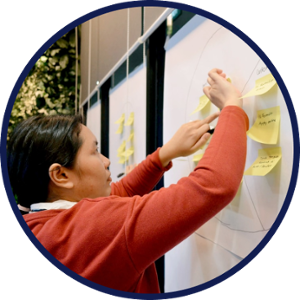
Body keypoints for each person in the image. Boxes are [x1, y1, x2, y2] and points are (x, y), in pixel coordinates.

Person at [7, 68, 249, 293]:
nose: (106, 161)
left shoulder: (38, 222)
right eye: (94, 152)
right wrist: (232, 107)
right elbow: (213, 186)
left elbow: (117, 191)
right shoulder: (93, 229)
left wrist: (163, 156)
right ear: (60, 175)